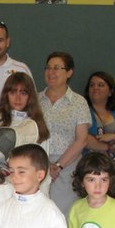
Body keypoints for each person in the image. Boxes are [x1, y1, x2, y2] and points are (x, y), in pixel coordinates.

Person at [38, 51, 91, 216]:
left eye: (57, 68)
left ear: (69, 72)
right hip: (39, 163)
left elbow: (82, 140)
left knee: (64, 215)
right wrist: (45, 165)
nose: (51, 72)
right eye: (48, 68)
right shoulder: (35, 100)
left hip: (68, 166)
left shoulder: (78, 102)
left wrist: (58, 166)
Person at [83, 71, 115, 175]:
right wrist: (109, 147)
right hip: (90, 172)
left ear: (110, 92)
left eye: (100, 85)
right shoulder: (82, 112)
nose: (95, 88)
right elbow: (82, 138)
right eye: (92, 85)